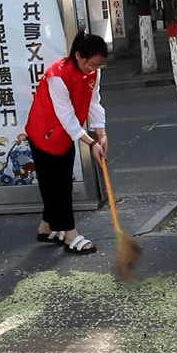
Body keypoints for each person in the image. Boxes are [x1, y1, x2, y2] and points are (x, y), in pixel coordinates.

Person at [24, 32, 108, 255]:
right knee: (58, 186)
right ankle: (70, 235)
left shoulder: (93, 73)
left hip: (65, 134)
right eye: (90, 64)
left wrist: (101, 133)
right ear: (78, 56)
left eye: (98, 66)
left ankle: (45, 228)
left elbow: (93, 102)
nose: (93, 70)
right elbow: (67, 116)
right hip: (44, 133)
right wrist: (91, 143)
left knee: (59, 182)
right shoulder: (57, 75)